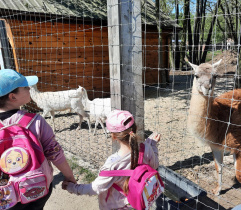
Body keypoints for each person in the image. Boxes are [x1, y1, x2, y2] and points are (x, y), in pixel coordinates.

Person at [0, 69, 77, 210]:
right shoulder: (35, 121)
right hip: (36, 187)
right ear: (13, 97)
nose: (29, 88)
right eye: (25, 87)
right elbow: (55, 153)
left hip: (4, 194)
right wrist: (69, 176)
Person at [62, 109, 161, 210]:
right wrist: (152, 144)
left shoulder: (112, 165)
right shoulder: (146, 148)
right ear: (135, 128)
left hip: (114, 207)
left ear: (113, 136)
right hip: (137, 201)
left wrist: (72, 187)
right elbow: (154, 165)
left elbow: (95, 188)